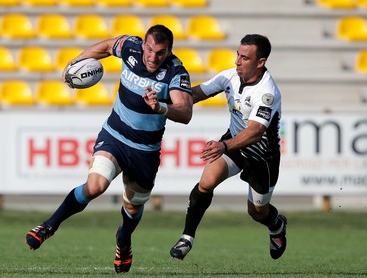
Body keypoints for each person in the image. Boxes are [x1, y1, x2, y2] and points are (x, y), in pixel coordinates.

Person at [25, 25, 193, 273]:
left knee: (133, 206)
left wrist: (161, 108)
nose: (152, 57)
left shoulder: (176, 72)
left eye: (160, 52)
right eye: (149, 49)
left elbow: (186, 112)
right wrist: (78, 61)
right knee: (95, 186)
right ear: (143, 45)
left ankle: (123, 240)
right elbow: (105, 47)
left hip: (145, 150)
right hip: (115, 134)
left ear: (169, 51)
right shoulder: (130, 47)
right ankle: (49, 225)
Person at [170, 34, 287, 261]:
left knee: (256, 211)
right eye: (237, 55)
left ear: (260, 62)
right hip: (232, 144)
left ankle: (276, 225)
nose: (237, 61)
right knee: (206, 182)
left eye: (245, 58)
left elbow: (255, 131)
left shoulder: (267, 92)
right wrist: (166, 96)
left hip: (261, 156)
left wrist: (223, 146)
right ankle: (187, 237)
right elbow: (194, 94)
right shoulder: (229, 76)